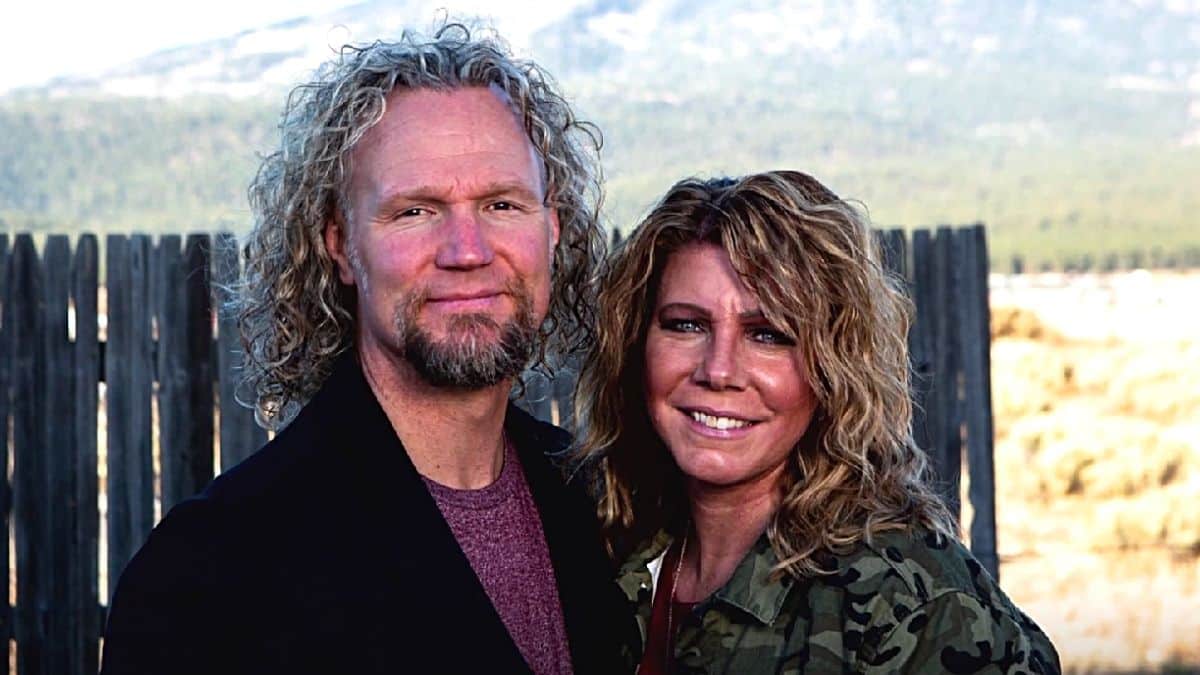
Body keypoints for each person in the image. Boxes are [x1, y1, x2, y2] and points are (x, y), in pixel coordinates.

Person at [101, 25, 633, 675]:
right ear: (339, 244)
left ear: (552, 227)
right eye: (415, 211)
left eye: (501, 203)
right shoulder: (213, 572)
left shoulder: (602, 504)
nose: (467, 250)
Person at [573, 171, 1061, 673]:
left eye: (768, 335)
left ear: (832, 368)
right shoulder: (602, 555)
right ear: (637, 345)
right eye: (686, 325)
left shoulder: (912, 607)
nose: (718, 370)